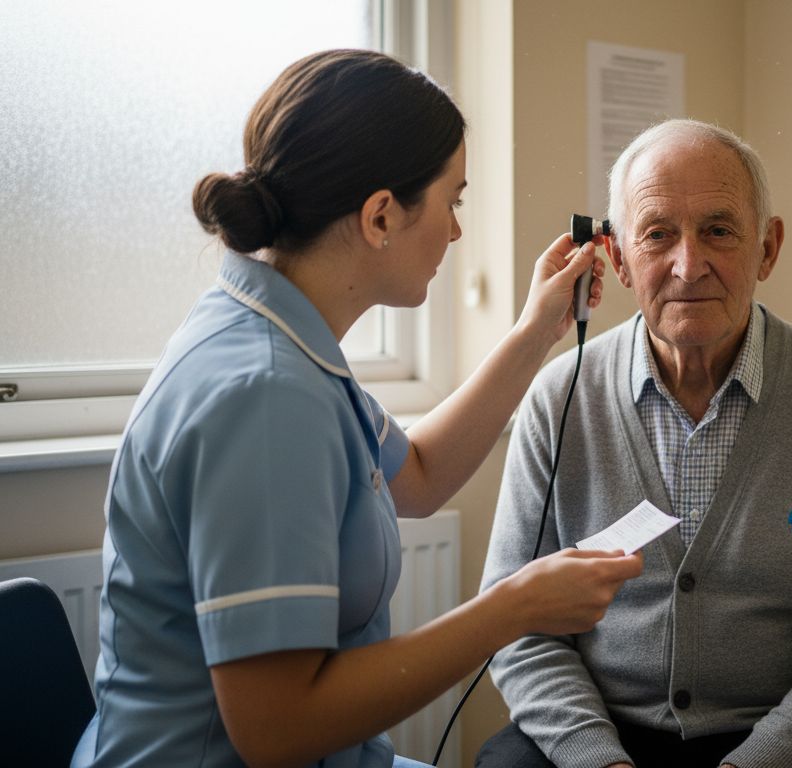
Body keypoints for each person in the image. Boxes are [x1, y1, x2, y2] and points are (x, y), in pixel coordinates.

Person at [72, 49, 643, 768]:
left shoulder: (278, 333)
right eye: (453, 202)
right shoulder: (267, 398)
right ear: (380, 216)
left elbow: (423, 474)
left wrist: (537, 331)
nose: (457, 233)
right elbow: (278, 731)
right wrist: (514, 609)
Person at [477, 119, 792, 768]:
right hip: (602, 736)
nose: (689, 264)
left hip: (785, 741)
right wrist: (598, 760)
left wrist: (757, 762)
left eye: (718, 230)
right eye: (658, 234)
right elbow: (517, 627)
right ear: (620, 259)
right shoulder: (558, 398)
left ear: (767, 248)